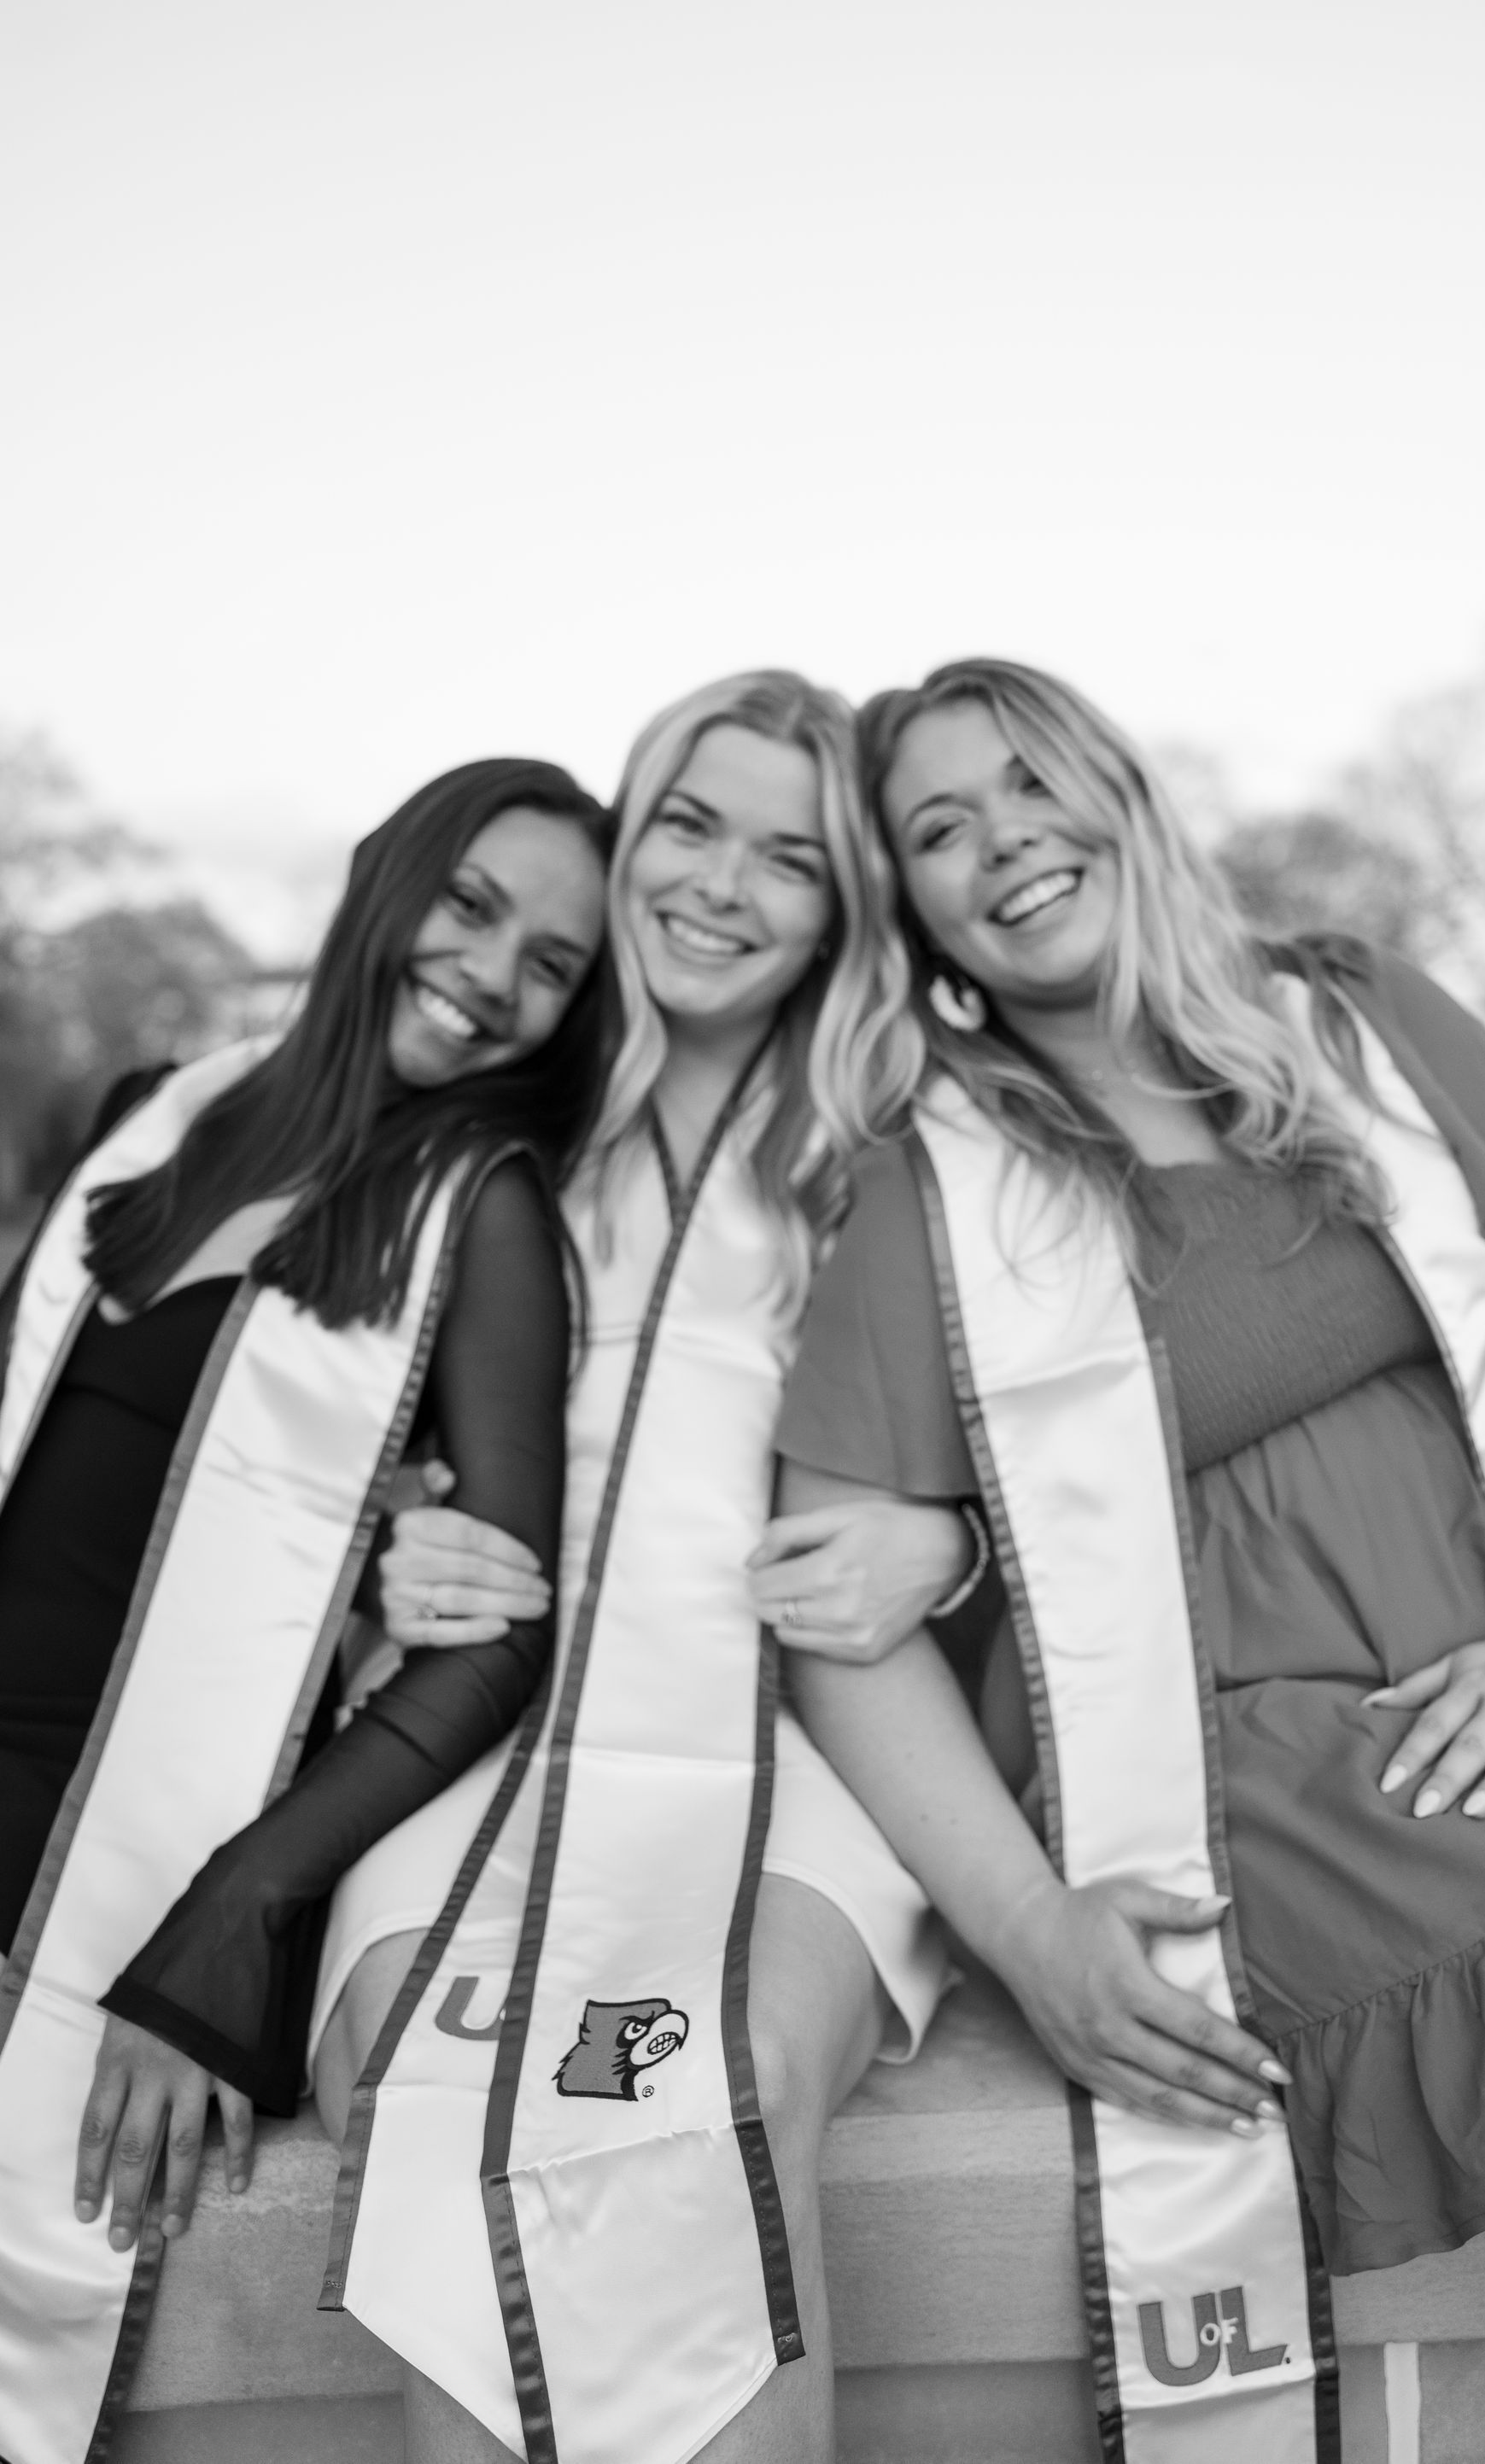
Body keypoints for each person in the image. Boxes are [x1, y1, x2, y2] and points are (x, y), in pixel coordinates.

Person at [764, 658, 1485, 2461]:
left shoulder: (1356, 1021)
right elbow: (837, 1626)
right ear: (909, 906)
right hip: (1237, 1773)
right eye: (938, 828)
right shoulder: (930, 1184)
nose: (1000, 841)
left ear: (1122, 793)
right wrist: (1029, 1932)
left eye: (1027, 783)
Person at [315, 674, 964, 2464]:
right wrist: (381, 1550)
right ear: (630, 832)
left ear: (844, 909)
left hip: (792, 1747)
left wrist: (946, 1538)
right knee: (439, 2095)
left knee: (723, 2089)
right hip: (470, 1735)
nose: (720, 888)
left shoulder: (891, 1136)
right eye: (688, 825)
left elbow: (1066, 1458)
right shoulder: (481, 1109)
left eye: (792, 858)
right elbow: (292, 1425)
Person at [0, 756, 610, 2464]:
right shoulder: (147, 1116)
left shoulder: (474, 1215)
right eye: (473, 907)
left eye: (550, 964)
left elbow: (497, 1637)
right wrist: (356, 1559)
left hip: (114, 1850)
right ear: (385, 877)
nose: (492, 973)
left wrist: (231, 1918)